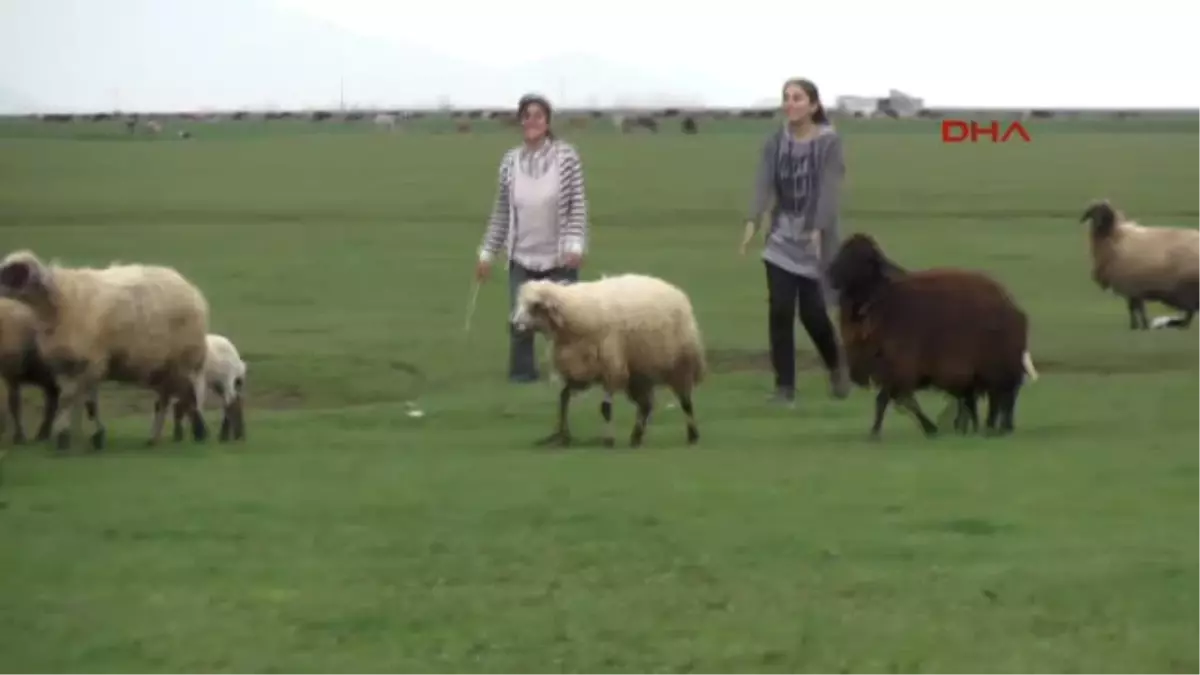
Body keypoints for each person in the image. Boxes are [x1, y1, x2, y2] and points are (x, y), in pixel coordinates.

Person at [740, 77, 851, 404]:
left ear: (813, 105)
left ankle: (836, 365)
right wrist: (753, 219)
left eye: (798, 98)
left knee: (814, 313)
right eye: (786, 97)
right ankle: (785, 387)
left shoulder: (829, 143)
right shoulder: (776, 142)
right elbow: (763, 182)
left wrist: (818, 228)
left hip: (816, 239)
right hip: (781, 238)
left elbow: (830, 189)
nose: (790, 103)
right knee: (781, 309)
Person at [475, 93, 590, 383]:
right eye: (526, 116)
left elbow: (577, 204)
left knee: (567, 323)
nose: (532, 121)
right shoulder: (510, 162)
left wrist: (575, 244)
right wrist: (487, 254)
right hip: (522, 256)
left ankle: (570, 376)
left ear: (548, 121)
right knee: (520, 322)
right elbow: (501, 211)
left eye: (538, 115)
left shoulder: (566, 157)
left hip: (559, 256)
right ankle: (523, 377)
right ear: (520, 121)